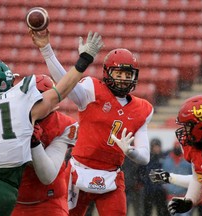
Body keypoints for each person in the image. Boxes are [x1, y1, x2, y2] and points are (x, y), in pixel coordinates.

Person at [0, 29, 103, 216]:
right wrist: (84, 60)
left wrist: (33, 143)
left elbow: (48, 176)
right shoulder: (22, 106)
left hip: (32, 196)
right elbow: (62, 91)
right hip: (7, 193)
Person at [32, 31, 153, 216]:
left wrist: (130, 152)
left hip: (111, 176)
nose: (123, 78)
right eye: (118, 73)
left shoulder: (142, 108)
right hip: (78, 171)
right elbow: (64, 83)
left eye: (128, 74)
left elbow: (145, 157)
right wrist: (47, 50)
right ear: (107, 73)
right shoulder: (92, 89)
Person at [11, 74, 79, 216]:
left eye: (39, 100)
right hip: (13, 199)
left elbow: (47, 175)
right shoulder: (10, 119)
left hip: (49, 200)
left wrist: (34, 143)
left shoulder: (65, 125)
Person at [166, 95, 202, 216]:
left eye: (188, 126)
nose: (184, 131)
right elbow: (199, 179)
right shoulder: (196, 148)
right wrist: (190, 199)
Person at [139, 138, 170, 216]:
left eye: (158, 146)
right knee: (147, 211)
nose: (157, 148)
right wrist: (145, 181)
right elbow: (140, 172)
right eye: (155, 147)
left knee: (161, 211)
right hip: (148, 190)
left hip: (161, 191)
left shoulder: (164, 158)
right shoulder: (147, 158)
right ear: (151, 147)